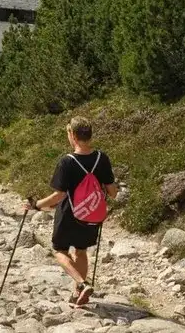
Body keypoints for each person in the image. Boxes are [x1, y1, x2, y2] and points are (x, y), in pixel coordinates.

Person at [24, 117, 118, 307]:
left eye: (68, 133)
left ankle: (82, 284)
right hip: (91, 215)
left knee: (59, 251)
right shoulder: (102, 158)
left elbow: (58, 196)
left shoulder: (67, 162)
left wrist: (36, 205)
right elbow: (113, 192)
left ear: (73, 136)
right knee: (81, 250)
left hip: (69, 214)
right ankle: (77, 293)